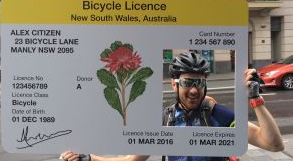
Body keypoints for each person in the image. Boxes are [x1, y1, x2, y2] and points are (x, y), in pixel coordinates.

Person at [61, 52, 284, 161]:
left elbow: (273, 145)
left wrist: (256, 100)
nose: (194, 90)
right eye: (188, 83)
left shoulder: (218, 116)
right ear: (174, 84)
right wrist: (88, 158)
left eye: (199, 83)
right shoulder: (164, 120)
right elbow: (129, 160)